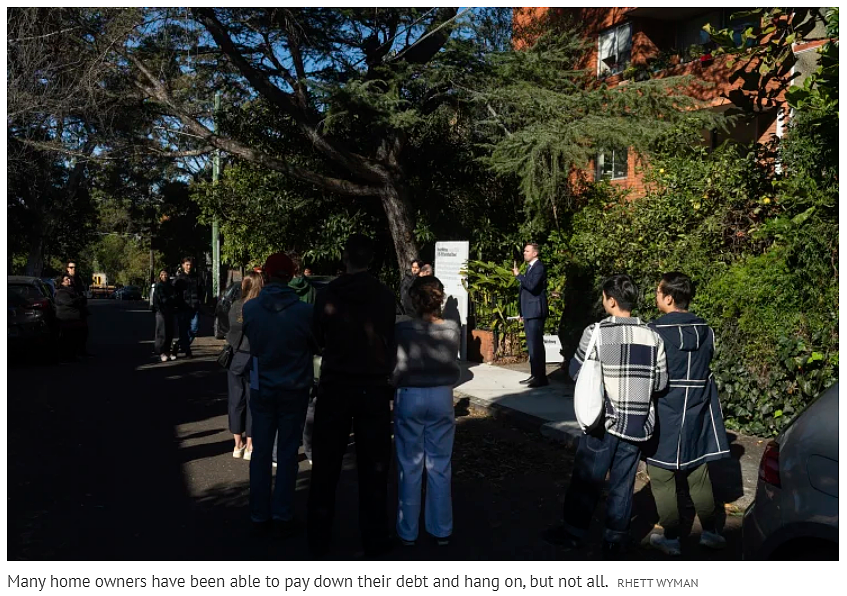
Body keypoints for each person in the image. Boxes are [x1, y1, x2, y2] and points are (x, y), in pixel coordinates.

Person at [543, 274, 668, 557]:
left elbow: (576, 372)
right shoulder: (653, 336)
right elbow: (660, 383)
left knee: (587, 479)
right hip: (638, 423)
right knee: (623, 484)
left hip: (603, 421)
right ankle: (614, 539)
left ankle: (573, 533)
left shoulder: (596, 332)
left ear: (611, 301)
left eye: (603, 297)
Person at [308, 233, 397, 558]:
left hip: (335, 384)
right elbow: (389, 336)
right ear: (371, 260)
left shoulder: (328, 293)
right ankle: (375, 538)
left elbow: (317, 336)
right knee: (373, 467)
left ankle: (318, 537)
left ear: (345, 258)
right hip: (372, 386)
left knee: (325, 467)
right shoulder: (385, 296)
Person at [645, 272, 730, 556]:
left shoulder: (653, 331)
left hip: (665, 408)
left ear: (668, 297)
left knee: (660, 473)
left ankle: (670, 536)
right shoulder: (707, 329)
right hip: (697, 408)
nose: (656, 297)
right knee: (698, 471)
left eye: (658, 293)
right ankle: (710, 532)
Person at [243, 253, 315, 538]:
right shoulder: (304, 312)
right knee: (287, 453)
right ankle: (282, 511)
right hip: (294, 387)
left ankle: (259, 512)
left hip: (262, 387)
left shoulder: (251, 309)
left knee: (261, 452)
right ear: (292, 274)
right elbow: (315, 344)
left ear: (267, 275)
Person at [393, 276, 461, 547]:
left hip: (409, 395)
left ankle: (408, 531)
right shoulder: (452, 328)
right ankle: (441, 529)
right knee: (440, 466)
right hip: (441, 395)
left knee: (409, 466)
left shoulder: (402, 329)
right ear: (439, 299)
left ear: (414, 299)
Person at [228, 271, 263, 461]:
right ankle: (250, 445)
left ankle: (237, 444)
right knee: (253, 402)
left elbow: (229, 331)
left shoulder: (236, 306)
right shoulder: (262, 308)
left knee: (235, 400)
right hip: (255, 359)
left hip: (237, 357)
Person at [512, 243, 548, 387]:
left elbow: (532, 286)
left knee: (536, 345)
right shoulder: (530, 267)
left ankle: (541, 377)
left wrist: (519, 276)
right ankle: (534, 375)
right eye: (524, 251)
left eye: (527, 251)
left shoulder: (539, 267)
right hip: (528, 311)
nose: (524, 253)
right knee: (531, 346)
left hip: (535, 311)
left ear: (535, 253)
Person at [173, 256, 204, 358]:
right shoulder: (179, 279)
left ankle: (179, 344)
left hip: (194, 307)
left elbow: (202, 291)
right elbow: (175, 294)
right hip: (183, 308)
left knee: (194, 329)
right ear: (183, 266)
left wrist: (200, 302)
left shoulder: (197, 277)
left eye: (190, 264)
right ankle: (187, 351)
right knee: (183, 330)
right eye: (187, 264)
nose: (189, 266)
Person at [53, 273, 87, 362]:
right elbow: (68, 302)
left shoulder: (71, 290)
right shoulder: (60, 292)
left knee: (75, 338)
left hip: (73, 318)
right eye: (66, 280)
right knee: (67, 339)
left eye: (69, 279)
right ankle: (66, 357)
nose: (69, 281)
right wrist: (79, 299)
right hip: (66, 319)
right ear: (61, 282)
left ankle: (73, 355)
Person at [152, 269, 176, 362]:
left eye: (166, 274)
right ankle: (160, 352)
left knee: (169, 332)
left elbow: (174, 298)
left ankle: (167, 351)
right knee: (161, 332)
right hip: (161, 312)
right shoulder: (158, 287)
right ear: (160, 276)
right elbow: (158, 300)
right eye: (162, 275)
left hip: (170, 311)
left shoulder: (171, 287)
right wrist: (159, 309)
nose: (164, 276)